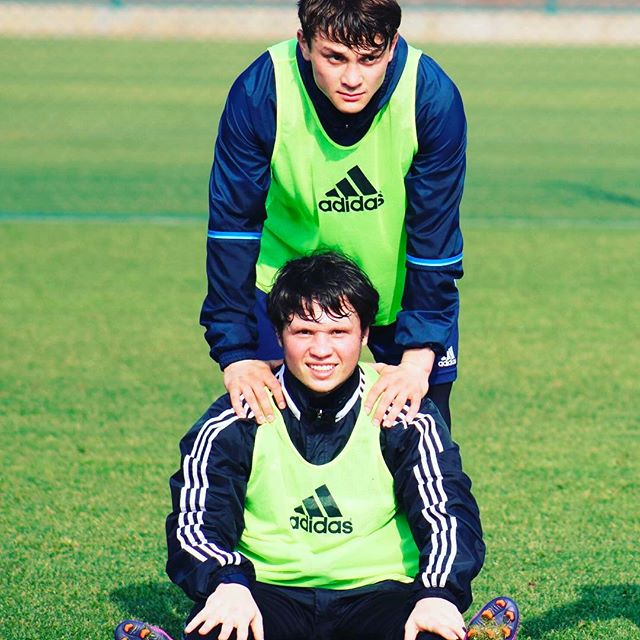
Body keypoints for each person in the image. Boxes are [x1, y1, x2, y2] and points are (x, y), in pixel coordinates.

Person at [166, 252, 485, 640]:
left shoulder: (402, 411)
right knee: (222, 625)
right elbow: (196, 520)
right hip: (267, 592)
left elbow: (448, 513)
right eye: (304, 332)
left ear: (364, 335)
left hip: (381, 594)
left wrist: (439, 593)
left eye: (338, 332)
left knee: (431, 630)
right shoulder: (238, 414)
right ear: (279, 334)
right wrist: (226, 581)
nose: (321, 349)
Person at [201, 0, 466, 431]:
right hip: (286, 293)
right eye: (335, 58)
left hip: (402, 295)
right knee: (269, 431)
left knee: (421, 430)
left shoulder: (430, 97)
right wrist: (237, 352)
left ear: (393, 46)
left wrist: (419, 359)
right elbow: (233, 227)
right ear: (304, 44)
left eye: (369, 58)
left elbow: (434, 238)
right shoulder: (260, 91)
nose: (352, 78)